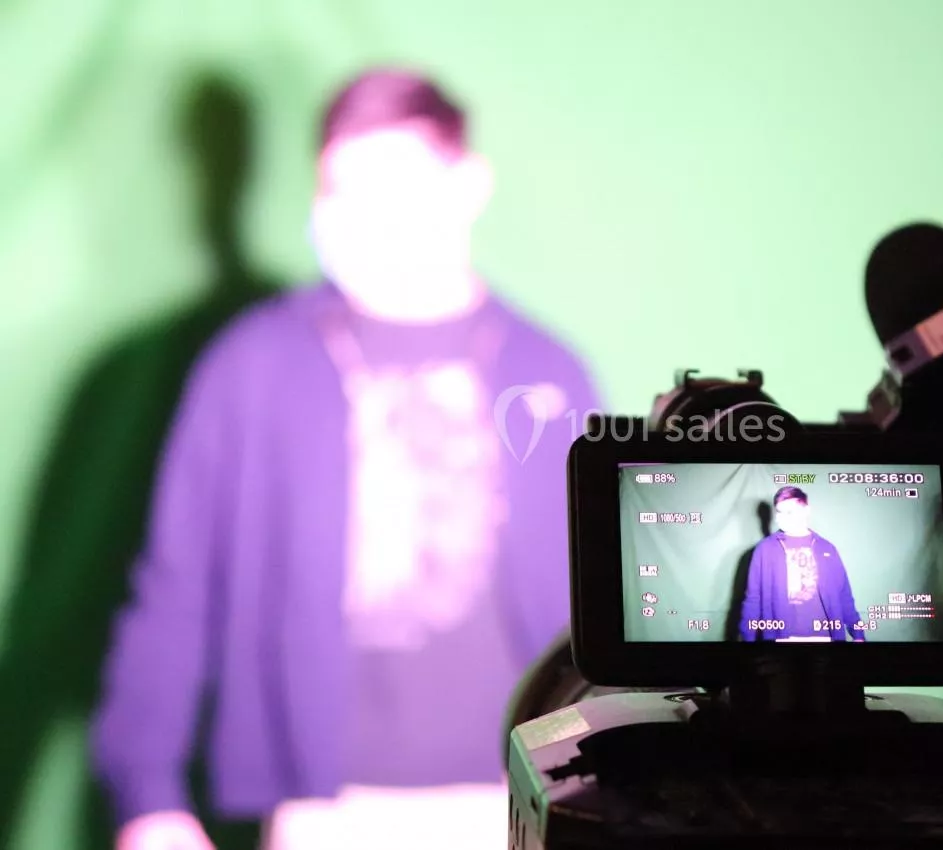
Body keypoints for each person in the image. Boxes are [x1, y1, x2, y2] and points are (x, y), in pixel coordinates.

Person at [92, 68, 600, 850]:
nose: (370, 221)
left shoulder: (548, 374)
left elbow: (597, 610)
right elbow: (173, 591)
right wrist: (147, 797)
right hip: (324, 812)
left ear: (468, 186)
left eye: (399, 189)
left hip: (523, 803)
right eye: (342, 193)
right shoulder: (253, 366)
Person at [738, 486, 866, 642]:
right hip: (781, 638)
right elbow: (752, 600)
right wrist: (747, 638)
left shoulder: (827, 549)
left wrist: (858, 634)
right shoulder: (764, 550)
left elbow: (844, 596)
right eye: (779, 512)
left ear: (806, 511)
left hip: (825, 637)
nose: (780, 518)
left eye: (789, 512)